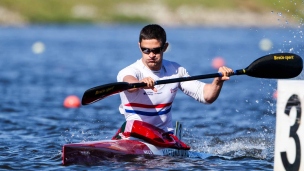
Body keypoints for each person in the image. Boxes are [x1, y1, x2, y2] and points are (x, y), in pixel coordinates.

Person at [112, 24, 233, 149]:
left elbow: (206, 96)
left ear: (165, 47)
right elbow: (129, 83)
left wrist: (218, 81)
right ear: (139, 46)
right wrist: (141, 83)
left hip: (163, 139)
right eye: (146, 50)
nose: (151, 54)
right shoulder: (129, 71)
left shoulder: (175, 70)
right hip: (134, 136)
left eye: (156, 50)